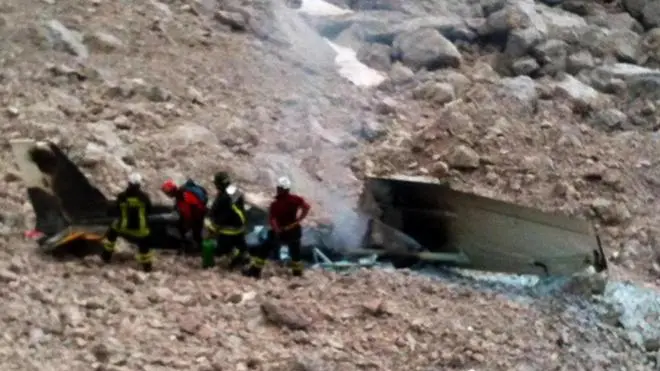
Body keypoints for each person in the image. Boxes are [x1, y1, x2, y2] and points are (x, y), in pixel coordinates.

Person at [243, 176, 310, 279]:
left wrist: (277, 231)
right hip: (294, 230)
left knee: (264, 249)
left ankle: (255, 271)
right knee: (295, 252)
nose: (277, 189)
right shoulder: (296, 199)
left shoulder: (276, 204)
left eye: (279, 188)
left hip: (281, 231)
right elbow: (306, 207)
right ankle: (297, 273)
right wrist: (299, 220)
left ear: (281, 189)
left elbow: (273, 220)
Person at [101, 173, 155, 272]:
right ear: (139, 185)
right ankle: (147, 266)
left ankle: (106, 256)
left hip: (124, 227)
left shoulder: (122, 196)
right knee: (145, 242)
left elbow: (117, 209)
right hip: (141, 230)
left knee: (112, 231)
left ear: (128, 183)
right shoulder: (144, 197)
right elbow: (149, 210)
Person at [206, 171, 249, 270]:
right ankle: (245, 256)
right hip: (241, 224)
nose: (215, 186)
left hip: (229, 228)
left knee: (224, 248)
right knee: (240, 243)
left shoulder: (224, 198)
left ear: (220, 184)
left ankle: (237, 257)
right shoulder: (235, 190)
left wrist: (213, 228)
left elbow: (221, 214)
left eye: (216, 184)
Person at [161, 178, 208, 254]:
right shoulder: (181, 192)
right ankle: (194, 247)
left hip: (197, 215)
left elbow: (188, 215)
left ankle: (195, 249)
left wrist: (187, 227)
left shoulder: (182, 197)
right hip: (198, 211)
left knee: (193, 233)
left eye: (167, 193)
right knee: (194, 232)